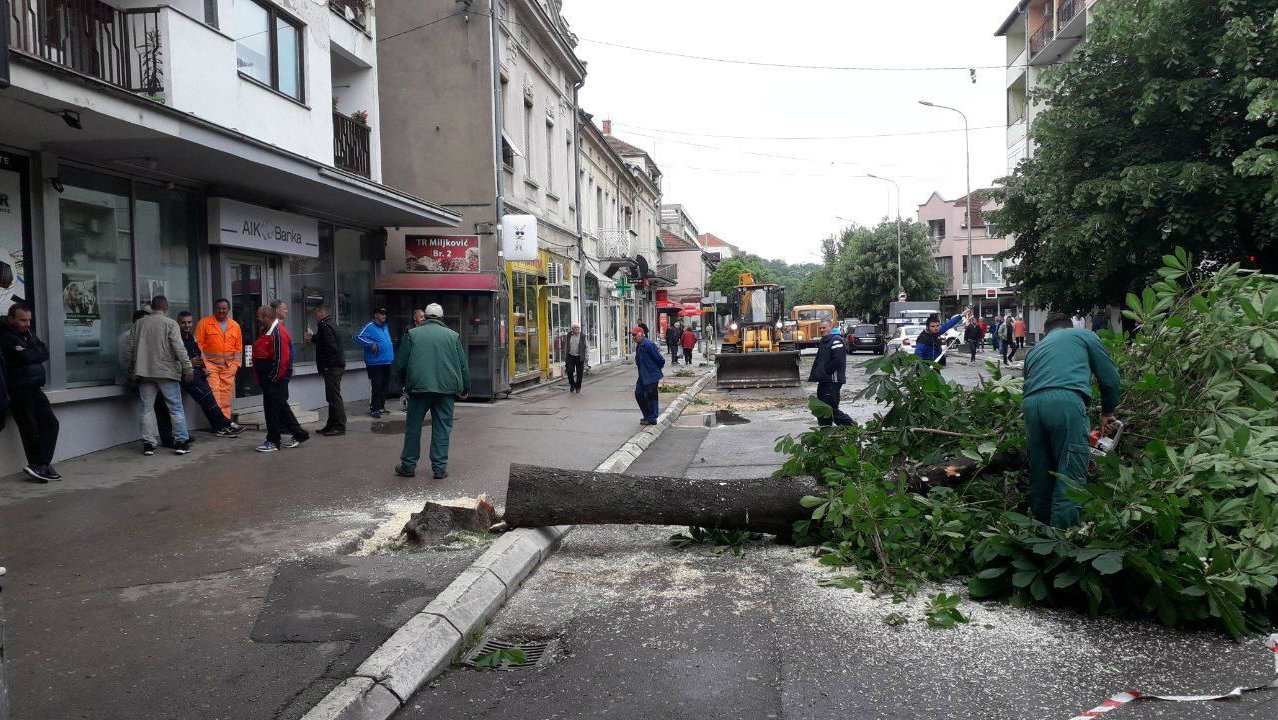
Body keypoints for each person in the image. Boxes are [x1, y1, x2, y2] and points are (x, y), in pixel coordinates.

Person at [1022, 312, 1122, 528]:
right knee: (1070, 471)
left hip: (1030, 406)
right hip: (1066, 402)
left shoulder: (1035, 349)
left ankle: (1039, 532)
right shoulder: (1084, 335)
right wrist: (1107, 412)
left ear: (1046, 332)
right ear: (1070, 326)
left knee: (1041, 471)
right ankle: (1063, 537)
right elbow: (1110, 377)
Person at [392, 303, 469, 479]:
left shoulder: (412, 334)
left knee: (413, 427)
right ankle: (439, 468)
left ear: (425, 317)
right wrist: (465, 388)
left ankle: (408, 466)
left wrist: (405, 384)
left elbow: (401, 364)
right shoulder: (453, 336)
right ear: (442, 318)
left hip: (418, 388)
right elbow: (463, 366)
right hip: (446, 390)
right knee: (442, 427)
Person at [124, 296, 194, 456]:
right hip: (166, 371)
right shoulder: (171, 324)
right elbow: (179, 348)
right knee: (175, 407)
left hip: (144, 372)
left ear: (151, 307)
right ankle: (181, 442)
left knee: (146, 409)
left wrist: (131, 370)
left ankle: (148, 444)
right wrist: (188, 368)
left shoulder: (139, 324)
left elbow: (129, 349)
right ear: (166, 307)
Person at [0, 303, 60, 482]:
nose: (27, 324)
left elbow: (44, 352)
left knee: (51, 424)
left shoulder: (29, 334)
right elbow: (22, 356)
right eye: (22, 320)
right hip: (18, 388)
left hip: (34, 386)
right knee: (29, 428)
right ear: (11, 319)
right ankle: (39, 465)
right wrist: (31, 353)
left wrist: (29, 352)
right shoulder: (5, 336)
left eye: (29, 320)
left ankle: (41, 464)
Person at [177, 311, 243, 438]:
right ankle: (226, 424)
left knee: (210, 401)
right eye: (183, 323)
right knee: (209, 400)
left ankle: (220, 427)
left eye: (189, 322)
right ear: (178, 323)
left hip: (204, 371)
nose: (187, 325)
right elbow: (173, 358)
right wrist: (190, 363)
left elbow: (198, 353)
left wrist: (203, 368)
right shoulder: (178, 338)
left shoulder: (190, 337)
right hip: (188, 375)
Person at [252, 305, 308, 452]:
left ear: (266, 317)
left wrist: (273, 378)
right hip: (270, 378)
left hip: (275, 378)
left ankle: (273, 441)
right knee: (280, 407)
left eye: (259, 316)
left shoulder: (278, 332)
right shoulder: (267, 330)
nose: (257, 319)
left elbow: (281, 359)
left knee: (273, 410)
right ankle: (299, 434)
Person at [195, 298, 242, 421]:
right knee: (214, 396)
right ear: (214, 309)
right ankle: (218, 423)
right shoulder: (204, 324)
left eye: (224, 309)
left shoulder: (235, 326)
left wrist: (236, 365)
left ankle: (225, 422)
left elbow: (238, 348)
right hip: (211, 366)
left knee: (226, 398)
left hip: (229, 367)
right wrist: (204, 365)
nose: (221, 311)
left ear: (228, 309)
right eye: (218, 308)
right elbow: (198, 346)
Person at [306, 305, 346, 436]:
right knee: (332, 397)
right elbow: (325, 341)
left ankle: (339, 426)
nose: (315, 317)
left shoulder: (325, 326)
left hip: (332, 367)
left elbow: (330, 347)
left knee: (334, 398)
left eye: (316, 314)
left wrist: (327, 365)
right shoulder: (331, 323)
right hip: (335, 366)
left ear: (321, 313)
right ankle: (331, 425)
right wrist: (313, 338)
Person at [809, 320, 852, 427]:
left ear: (831, 327)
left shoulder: (836, 340)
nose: (822, 330)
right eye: (820, 328)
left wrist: (827, 371)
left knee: (831, 408)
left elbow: (838, 360)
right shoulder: (825, 340)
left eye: (824, 327)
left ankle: (853, 427)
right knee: (821, 406)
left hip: (833, 381)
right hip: (824, 380)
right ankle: (825, 430)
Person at [357, 308, 394, 418]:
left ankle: (381, 407)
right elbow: (359, 337)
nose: (384, 316)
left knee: (384, 385)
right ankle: (375, 408)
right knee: (377, 385)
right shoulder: (370, 326)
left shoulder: (385, 327)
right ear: (376, 315)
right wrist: (371, 344)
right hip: (375, 362)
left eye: (385, 314)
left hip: (386, 361)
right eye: (382, 314)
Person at [631, 325, 665, 425]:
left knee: (650, 397)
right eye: (633, 335)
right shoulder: (639, 345)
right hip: (643, 376)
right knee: (639, 394)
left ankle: (652, 418)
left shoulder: (648, 344)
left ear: (642, 335)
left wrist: (654, 370)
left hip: (651, 375)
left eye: (635, 335)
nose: (633, 337)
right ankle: (647, 416)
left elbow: (660, 360)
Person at [565, 323, 587, 393]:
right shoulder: (569, 335)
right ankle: (572, 384)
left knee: (579, 373)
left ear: (579, 329)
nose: (576, 329)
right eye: (575, 328)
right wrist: (566, 355)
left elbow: (586, 346)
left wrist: (587, 355)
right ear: (572, 329)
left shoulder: (582, 336)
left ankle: (578, 387)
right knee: (569, 371)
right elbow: (566, 345)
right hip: (570, 356)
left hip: (580, 357)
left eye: (578, 328)